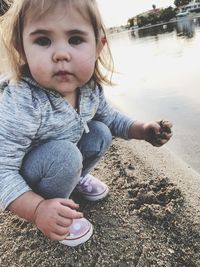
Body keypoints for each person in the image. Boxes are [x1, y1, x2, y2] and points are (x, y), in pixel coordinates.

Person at [0, 0, 173, 247]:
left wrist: (142, 129)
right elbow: (2, 170)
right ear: (21, 48)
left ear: (98, 46)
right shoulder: (22, 101)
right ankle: (54, 208)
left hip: (62, 160)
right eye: (42, 41)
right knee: (65, 155)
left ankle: (76, 179)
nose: (61, 54)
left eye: (75, 40)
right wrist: (36, 209)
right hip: (30, 178)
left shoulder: (89, 88)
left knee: (101, 131)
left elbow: (111, 119)